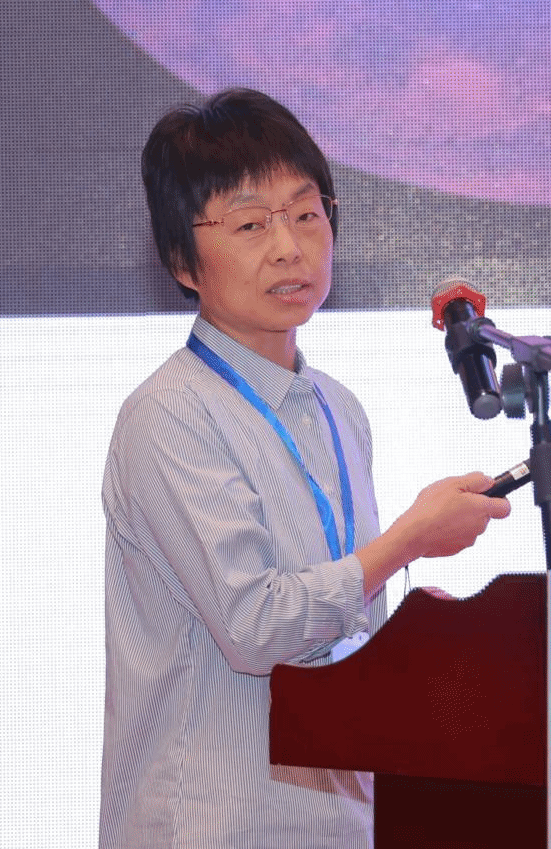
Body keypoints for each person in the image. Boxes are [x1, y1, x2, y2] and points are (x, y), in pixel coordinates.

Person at [100, 87, 511, 848]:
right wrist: (408, 542)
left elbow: (340, 626)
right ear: (182, 261)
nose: (289, 247)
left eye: (306, 214)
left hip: (341, 820)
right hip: (216, 825)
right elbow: (257, 628)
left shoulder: (336, 406)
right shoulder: (169, 414)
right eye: (250, 224)